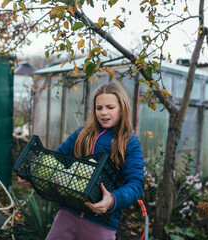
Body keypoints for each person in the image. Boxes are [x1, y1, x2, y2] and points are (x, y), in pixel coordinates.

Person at [45, 82, 145, 240]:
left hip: (101, 223)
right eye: (99, 108)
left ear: (122, 108)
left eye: (110, 107)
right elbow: (57, 158)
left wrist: (112, 200)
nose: (103, 113)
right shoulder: (81, 134)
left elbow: (136, 184)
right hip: (67, 214)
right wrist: (33, 170)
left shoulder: (129, 142)